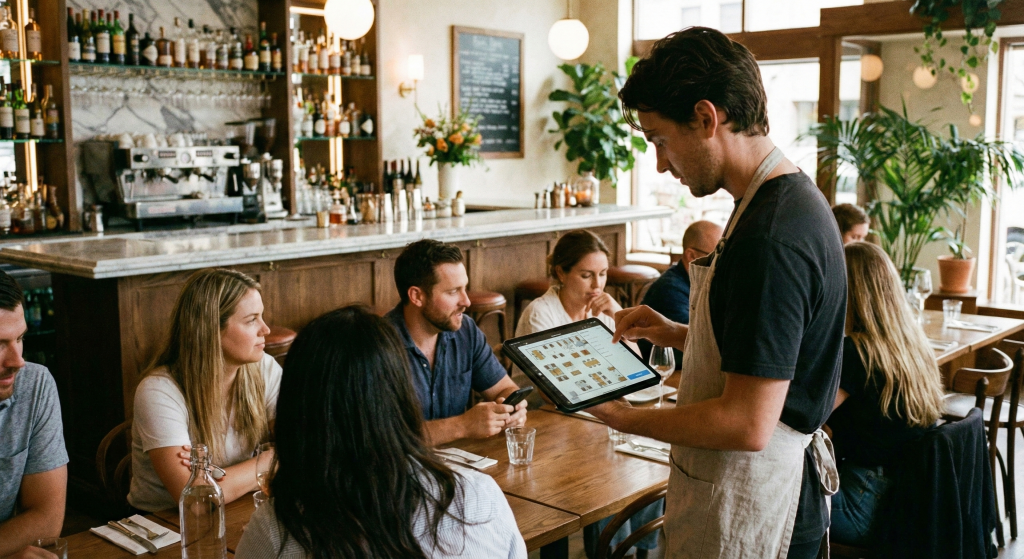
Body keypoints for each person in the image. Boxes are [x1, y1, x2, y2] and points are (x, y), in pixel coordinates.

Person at [589, 27, 846, 559]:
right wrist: (679, 333)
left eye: (659, 139)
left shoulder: (771, 235)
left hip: (759, 497)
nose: (660, 163)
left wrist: (626, 419)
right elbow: (772, 351)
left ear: (707, 118)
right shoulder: (783, 197)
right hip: (762, 484)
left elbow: (747, 423)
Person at [235, 305, 527, 559]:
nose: (464, 301)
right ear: (401, 393)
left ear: (298, 410)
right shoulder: (478, 496)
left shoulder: (276, 530)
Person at [514, 230, 659, 559]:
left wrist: (619, 314)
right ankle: (609, 551)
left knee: (647, 463)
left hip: (591, 418)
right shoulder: (542, 313)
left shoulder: (600, 310)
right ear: (561, 273)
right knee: (610, 477)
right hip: (548, 424)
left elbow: (638, 373)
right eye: (586, 275)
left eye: (603, 274)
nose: (597, 286)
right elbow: (556, 393)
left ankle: (631, 549)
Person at [128, 268, 281, 512]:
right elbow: (196, 500)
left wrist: (218, 479)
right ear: (211, 330)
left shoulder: (264, 369)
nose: (266, 329)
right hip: (163, 528)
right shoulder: (157, 391)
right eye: (252, 320)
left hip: (237, 509)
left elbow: (304, 451)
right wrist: (267, 462)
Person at [827, 242, 944, 545]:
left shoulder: (857, 351)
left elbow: (809, 417)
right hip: (902, 501)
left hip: (862, 505)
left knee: (768, 497)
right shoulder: (912, 343)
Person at [387, 239, 526, 446]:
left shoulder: (466, 331)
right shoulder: (376, 346)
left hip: (456, 465)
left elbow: (503, 389)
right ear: (417, 296)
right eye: (453, 292)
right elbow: (382, 438)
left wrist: (512, 409)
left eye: (465, 289)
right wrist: (463, 425)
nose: (466, 302)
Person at [0, 271, 67, 559]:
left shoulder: (33, 386)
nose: (18, 361)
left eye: (20, 338)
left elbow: (47, 519)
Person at [638, 220, 723, 363]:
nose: (723, 263)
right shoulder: (670, 290)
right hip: (663, 372)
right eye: (718, 256)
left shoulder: (702, 282)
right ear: (691, 256)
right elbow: (700, 345)